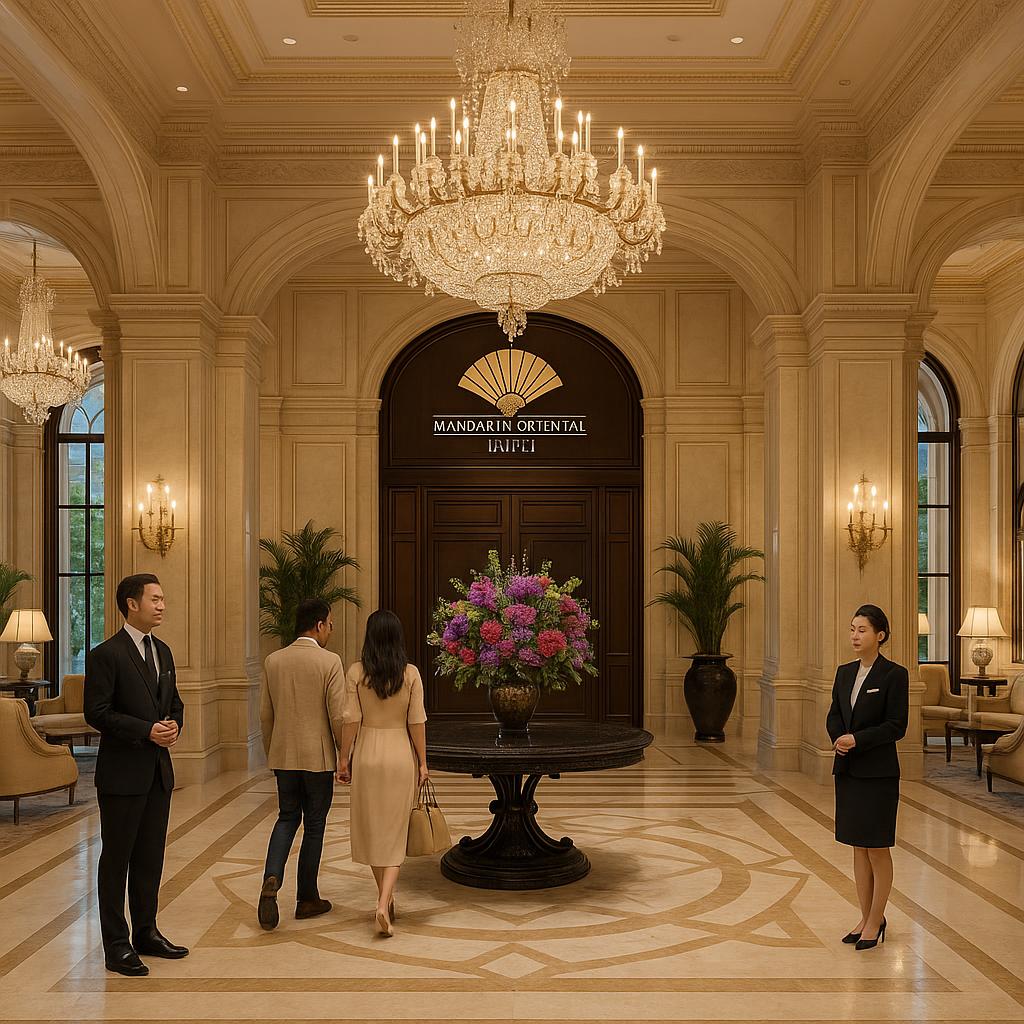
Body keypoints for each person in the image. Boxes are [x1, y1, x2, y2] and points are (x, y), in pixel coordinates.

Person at [84, 573, 187, 977]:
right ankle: (116, 944)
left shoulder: (163, 650)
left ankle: (147, 931)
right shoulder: (106, 654)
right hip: (122, 775)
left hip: (158, 773)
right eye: (155, 599)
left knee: (150, 858)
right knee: (116, 860)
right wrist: (145, 730)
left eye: (163, 599)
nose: (162, 605)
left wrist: (174, 726)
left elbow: (174, 703)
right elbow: (97, 713)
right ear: (131, 603)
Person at [337, 610, 428, 937]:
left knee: (374, 827)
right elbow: (416, 721)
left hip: (368, 754)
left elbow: (351, 719)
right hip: (400, 753)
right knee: (394, 830)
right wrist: (422, 762)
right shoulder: (411, 674)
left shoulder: (356, 673)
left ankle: (384, 899)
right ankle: (383, 901)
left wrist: (344, 759)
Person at [258, 598, 346, 930]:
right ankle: (307, 898)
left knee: (286, 817)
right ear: (319, 624)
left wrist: (273, 752)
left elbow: (265, 715)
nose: (330, 631)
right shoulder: (330, 661)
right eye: (330, 625)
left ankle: (272, 876)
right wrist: (343, 754)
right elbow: (338, 715)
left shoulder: (273, 660)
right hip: (318, 758)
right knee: (315, 825)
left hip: (284, 756)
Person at [825, 604, 909, 951]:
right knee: (858, 847)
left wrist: (858, 739)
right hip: (847, 771)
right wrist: (837, 737)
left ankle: (876, 920)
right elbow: (834, 715)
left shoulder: (894, 675)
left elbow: (896, 726)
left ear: (880, 635)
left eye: (861, 630)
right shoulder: (844, 673)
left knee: (877, 848)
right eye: (852, 629)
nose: (855, 636)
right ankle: (865, 916)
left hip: (878, 774)